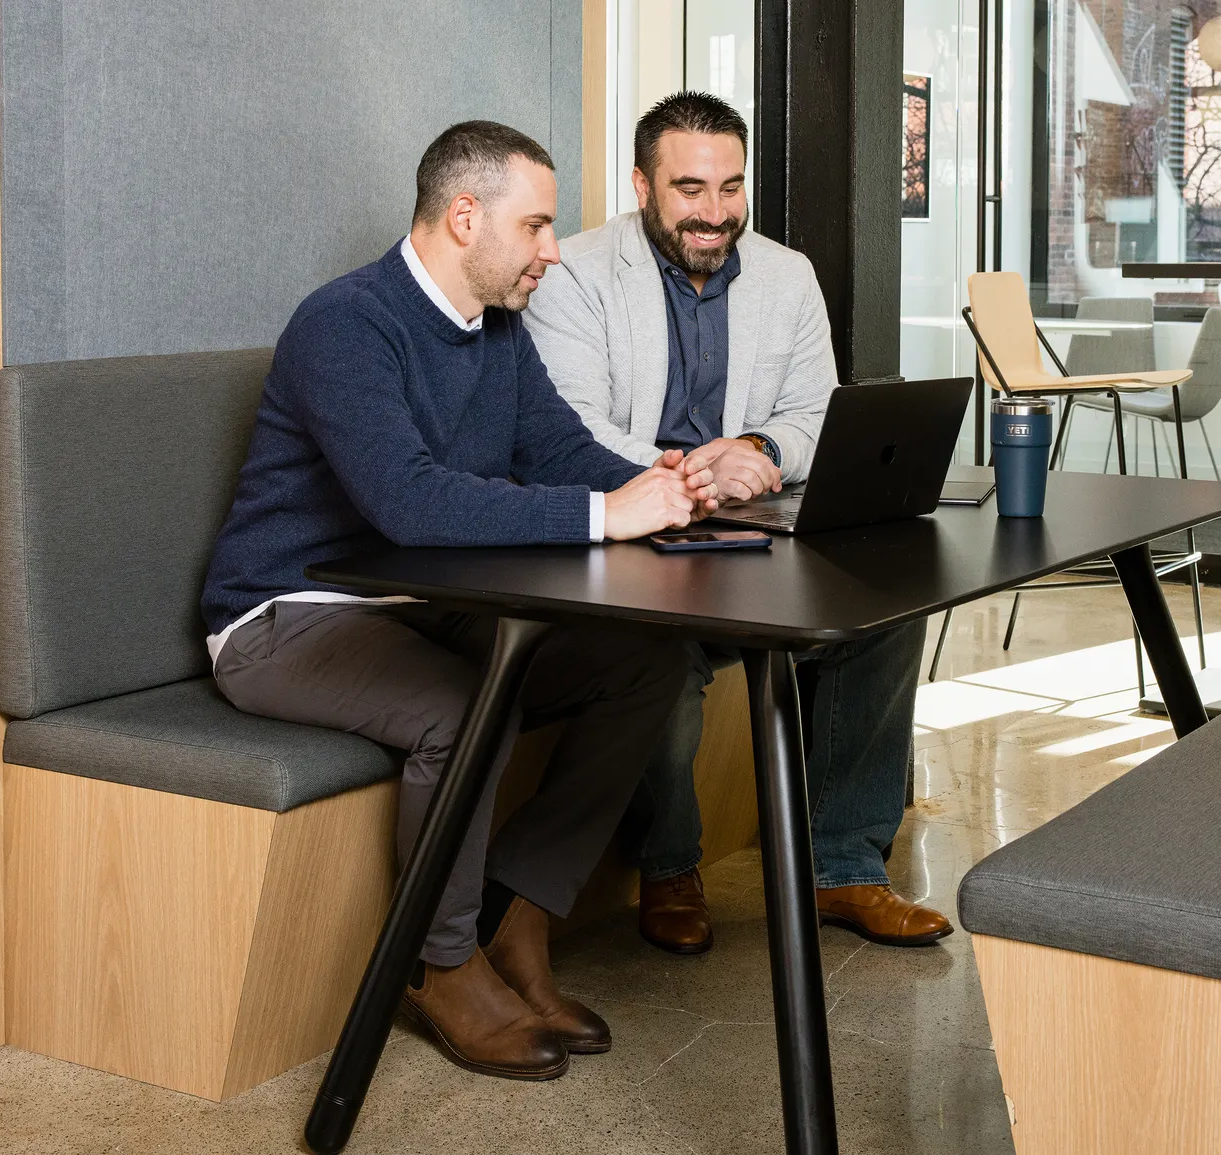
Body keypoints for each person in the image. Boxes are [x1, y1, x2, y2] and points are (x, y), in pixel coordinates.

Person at [200, 121, 721, 1082]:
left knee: (643, 661)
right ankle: (438, 965)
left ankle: (519, 918)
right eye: (536, 227)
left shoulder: (499, 333)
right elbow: (406, 499)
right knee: (462, 707)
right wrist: (609, 516)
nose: (552, 252)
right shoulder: (345, 324)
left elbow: (561, 456)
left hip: (416, 604)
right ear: (465, 215)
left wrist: (672, 494)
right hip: (286, 617)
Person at [523, 92, 950, 955]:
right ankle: (670, 863)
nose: (715, 213)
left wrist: (756, 445)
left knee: (888, 605)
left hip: (752, 520)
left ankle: (844, 867)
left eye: (730, 187)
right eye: (689, 189)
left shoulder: (787, 274)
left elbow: (815, 416)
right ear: (642, 185)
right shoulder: (569, 274)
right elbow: (571, 429)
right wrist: (690, 474)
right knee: (659, 654)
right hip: (638, 526)